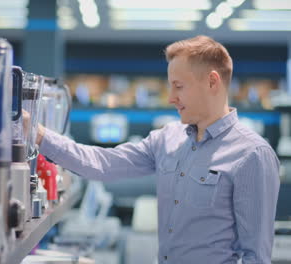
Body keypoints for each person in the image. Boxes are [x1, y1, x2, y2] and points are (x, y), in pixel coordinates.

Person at [34, 35, 280, 263]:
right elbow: (102, 163)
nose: (171, 97)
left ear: (212, 81)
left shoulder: (252, 155)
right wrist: (40, 135)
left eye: (179, 86)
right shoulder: (167, 139)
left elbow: (255, 256)